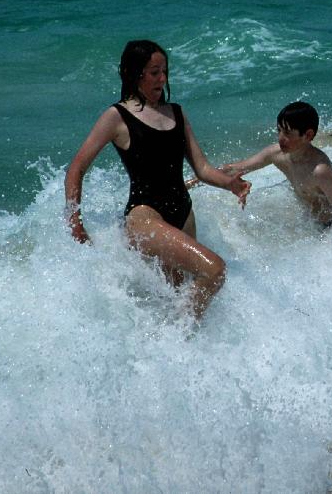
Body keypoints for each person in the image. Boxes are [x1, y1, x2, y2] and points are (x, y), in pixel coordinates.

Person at [64, 40, 251, 319]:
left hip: (183, 213)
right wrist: (76, 225)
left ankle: (174, 353)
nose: (162, 79)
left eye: (164, 71)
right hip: (145, 218)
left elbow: (201, 167)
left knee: (177, 297)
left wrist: (230, 183)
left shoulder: (176, 112)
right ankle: (179, 342)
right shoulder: (117, 116)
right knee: (214, 270)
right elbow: (76, 169)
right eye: (154, 72)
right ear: (134, 73)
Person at [187, 101, 332, 240]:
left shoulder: (319, 170)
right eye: (279, 130)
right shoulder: (277, 154)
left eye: (287, 133)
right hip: (318, 226)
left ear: (308, 135)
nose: (281, 138)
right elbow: (236, 168)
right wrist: (194, 181)